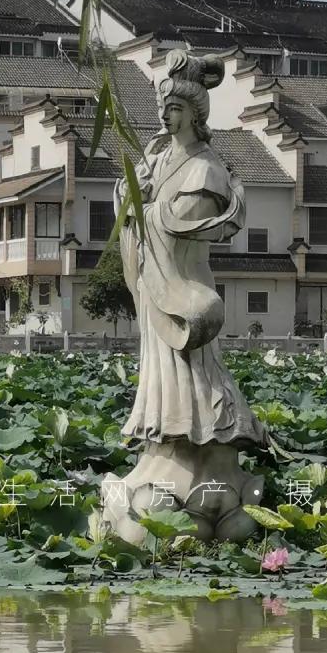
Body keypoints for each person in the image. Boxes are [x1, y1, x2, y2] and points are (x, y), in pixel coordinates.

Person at [115, 50, 267, 450]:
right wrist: (130, 191)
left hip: (184, 285)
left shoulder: (207, 169)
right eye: (164, 107)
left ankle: (205, 429)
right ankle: (161, 427)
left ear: (196, 114)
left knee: (193, 364)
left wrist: (142, 208)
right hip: (155, 284)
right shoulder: (158, 159)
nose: (167, 116)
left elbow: (179, 220)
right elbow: (138, 208)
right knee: (158, 365)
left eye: (176, 108)